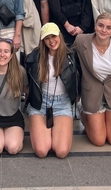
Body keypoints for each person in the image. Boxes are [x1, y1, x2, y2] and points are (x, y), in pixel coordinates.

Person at [73, 13, 111, 146]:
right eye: (101, 25)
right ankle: (84, 114)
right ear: (95, 26)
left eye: (109, 27)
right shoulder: (81, 41)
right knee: (99, 141)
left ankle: (100, 120)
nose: (104, 30)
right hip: (92, 94)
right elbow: (67, 56)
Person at [25, 23, 77, 158]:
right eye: (47, 38)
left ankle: (57, 129)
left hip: (62, 103)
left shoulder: (71, 55)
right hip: (40, 103)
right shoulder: (34, 57)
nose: (51, 41)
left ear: (59, 35)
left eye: (54, 36)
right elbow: (27, 83)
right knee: (42, 151)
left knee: (61, 151)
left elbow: (78, 80)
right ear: (42, 40)